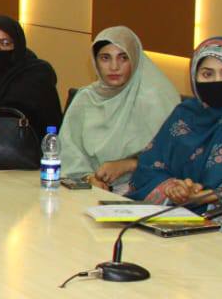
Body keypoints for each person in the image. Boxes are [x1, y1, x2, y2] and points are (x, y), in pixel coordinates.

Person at [125, 36, 222, 207]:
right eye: (207, 74)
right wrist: (174, 189)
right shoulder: (185, 114)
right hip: (172, 212)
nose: (217, 81)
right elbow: (149, 166)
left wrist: (205, 197)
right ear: (194, 76)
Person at [58, 26, 180, 192]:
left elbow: (174, 157)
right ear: (95, 62)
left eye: (123, 58)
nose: (114, 67)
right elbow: (69, 151)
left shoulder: (157, 99)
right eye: (105, 58)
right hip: (88, 189)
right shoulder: (86, 98)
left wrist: (129, 164)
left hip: (142, 191)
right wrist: (88, 178)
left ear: (135, 59)